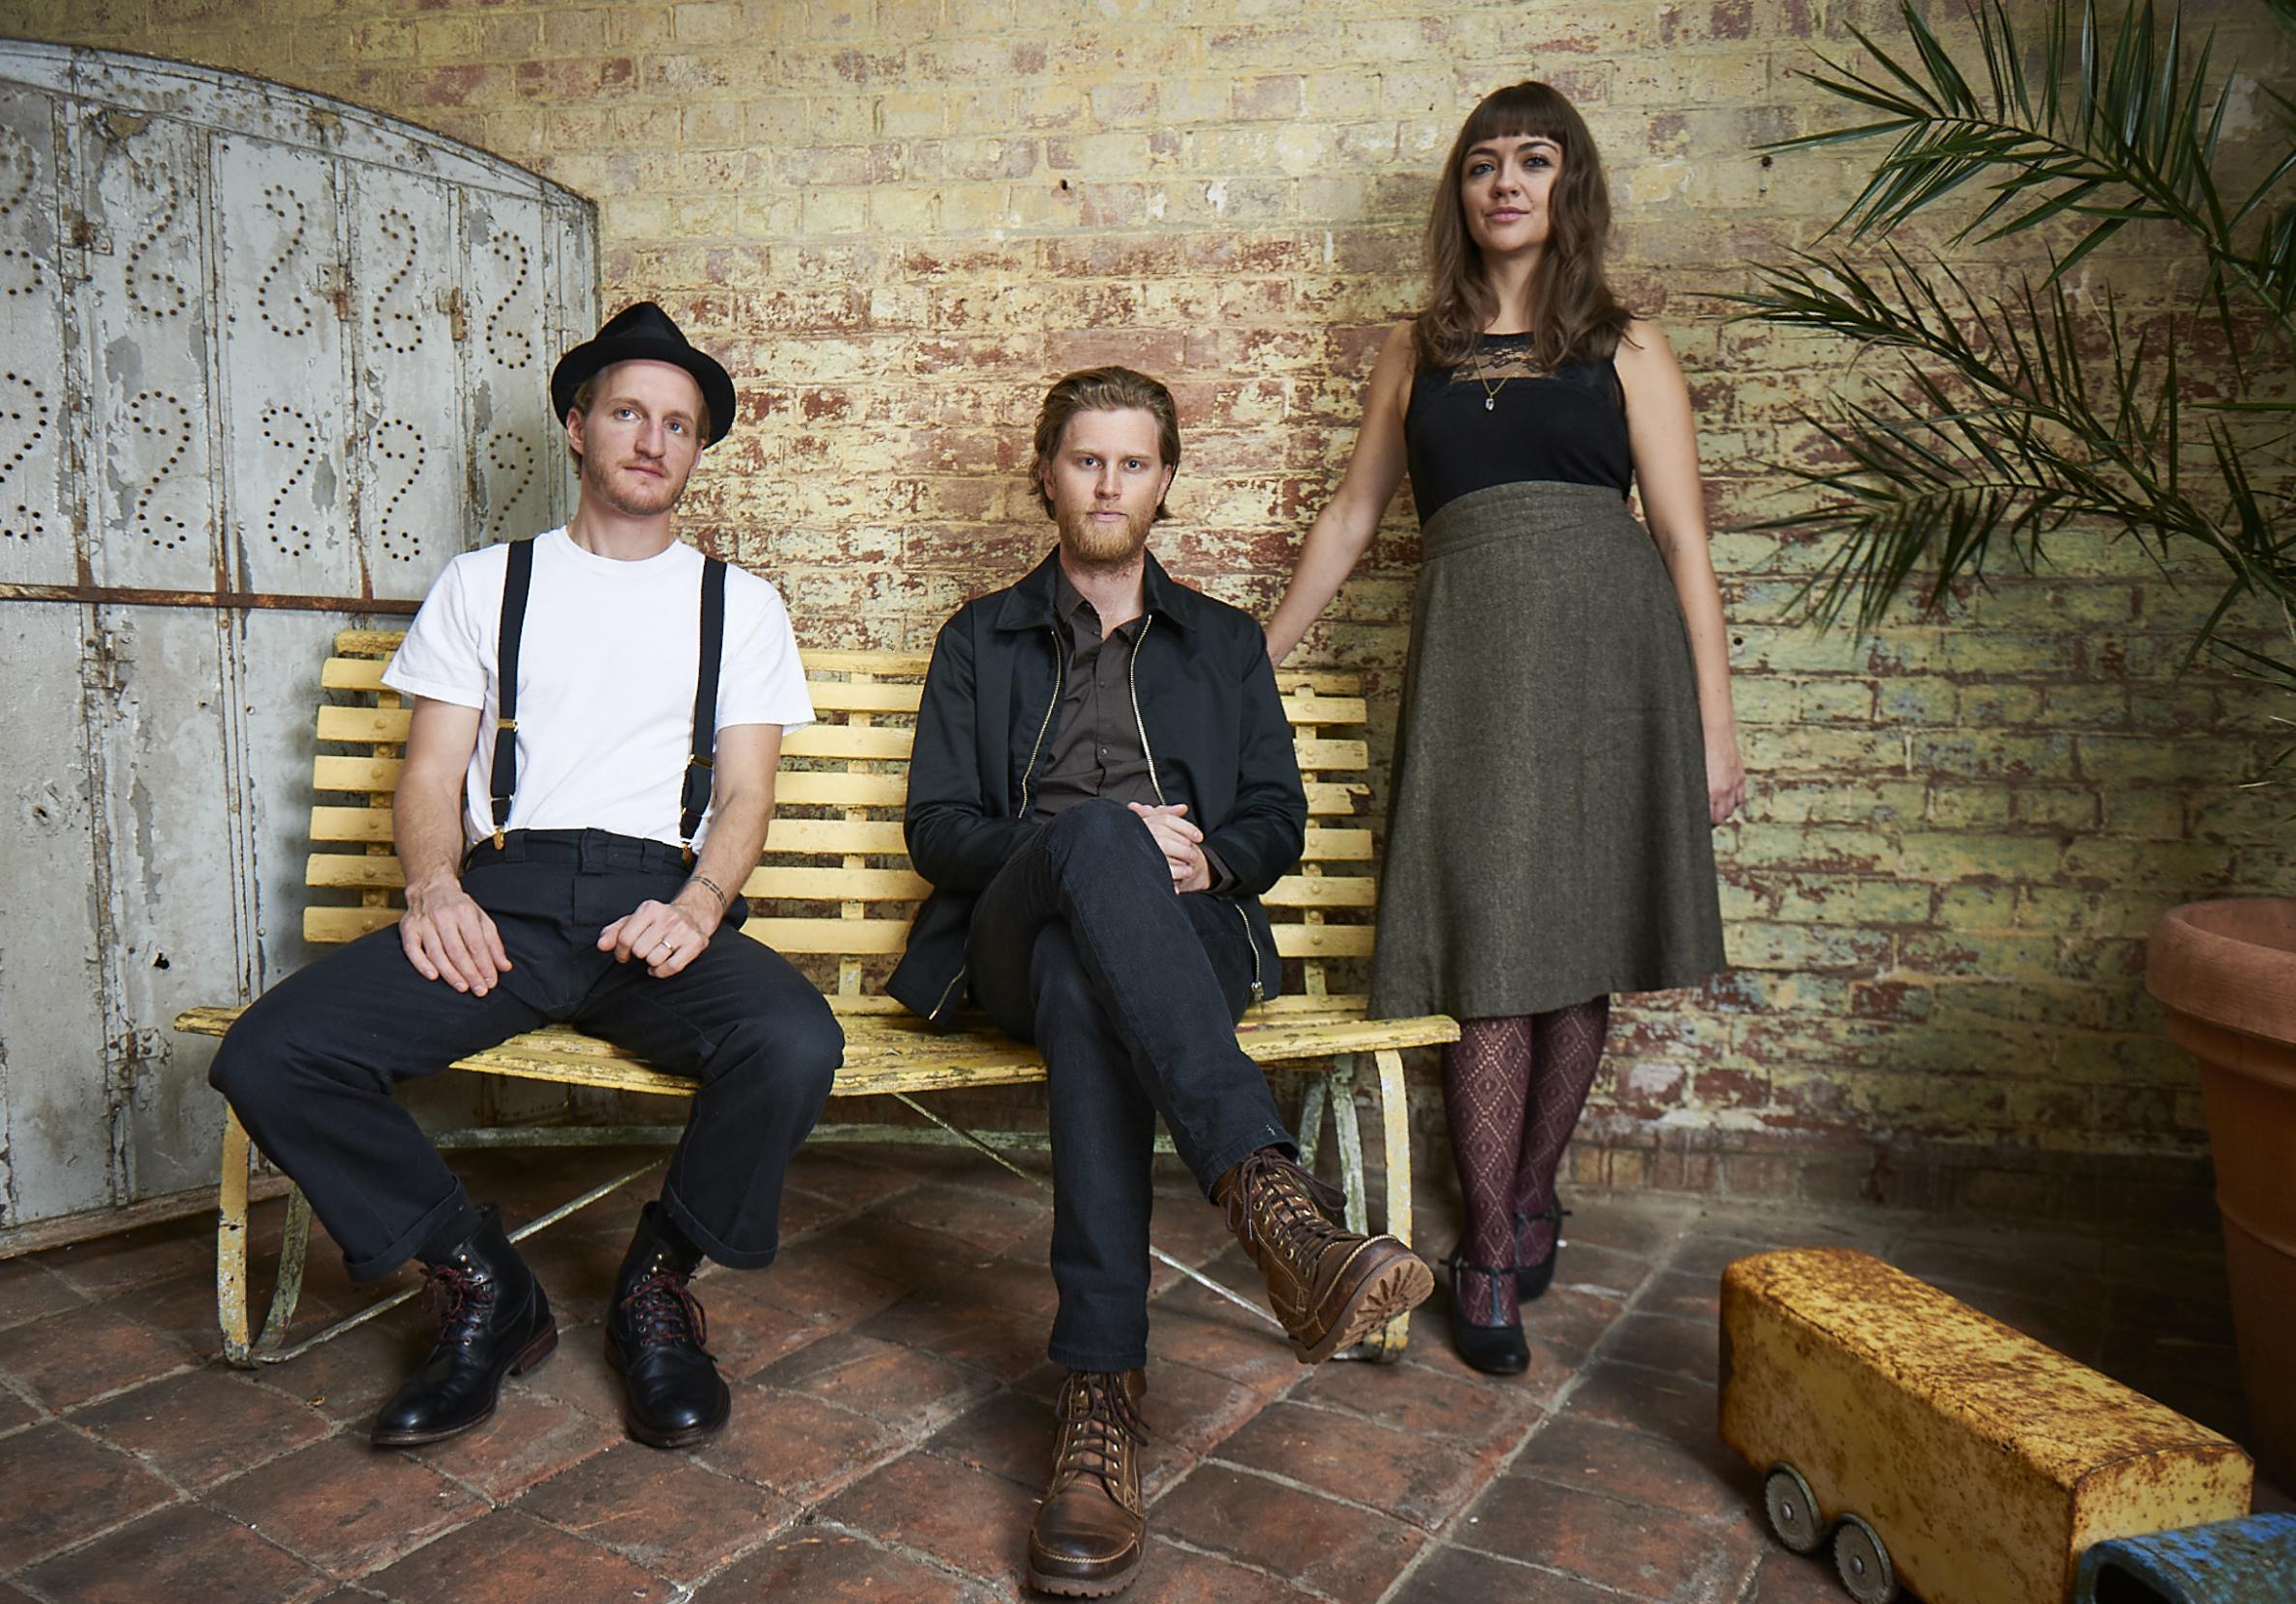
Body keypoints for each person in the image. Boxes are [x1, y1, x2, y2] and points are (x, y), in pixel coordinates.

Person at [208, 302, 843, 1451]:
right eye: (628, 414)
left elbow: (747, 792)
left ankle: (658, 1283)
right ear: (576, 426)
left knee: (794, 1039)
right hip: (503, 906)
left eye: (679, 425)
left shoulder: (737, 605)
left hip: (655, 914)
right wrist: (436, 889)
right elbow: (430, 773)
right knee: (269, 1052)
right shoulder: (485, 584)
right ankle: (485, 1283)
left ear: (697, 450)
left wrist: (699, 904)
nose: (652, 440)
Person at [890, 367, 1435, 1597]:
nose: (1107, 484)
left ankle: (1098, 1393)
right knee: (1093, 840)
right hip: (1008, 938)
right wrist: (1092, 841)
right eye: (1086, 459)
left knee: (1099, 980)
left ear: (1167, 480)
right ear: (1045, 472)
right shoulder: (979, 636)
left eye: (1133, 463)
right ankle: (1276, 1209)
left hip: (1177, 940)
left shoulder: (1227, 642)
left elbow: (1276, 822)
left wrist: (1204, 859)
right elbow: (936, 826)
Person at [1264, 82, 1740, 1377]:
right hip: (1476, 657)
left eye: (1533, 161)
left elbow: (1689, 543)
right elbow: (1356, 516)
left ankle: (1531, 1194)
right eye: (1483, 164)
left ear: (1568, 184)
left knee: (1578, 946)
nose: (1507, 183)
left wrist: (1714, 722)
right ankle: (1485, 1246)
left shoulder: (1629, 346)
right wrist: (1261, 651)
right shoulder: (1414, 347)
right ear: (1462, 195)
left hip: (1611, 658)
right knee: (1490, 946)